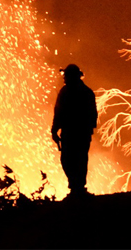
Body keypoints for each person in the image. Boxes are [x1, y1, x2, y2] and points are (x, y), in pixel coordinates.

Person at [51, 64, 98, 197]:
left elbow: (59, 112)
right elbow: (58, 112)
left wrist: (55, 130)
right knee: (71, 160)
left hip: (76, 132)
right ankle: (76, 187)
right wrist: (54, 130)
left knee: (76, 159)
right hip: (75, 132)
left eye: (66, 76)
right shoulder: (81, 92)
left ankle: (77, 188)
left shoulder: (81, 92)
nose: (64, 78)